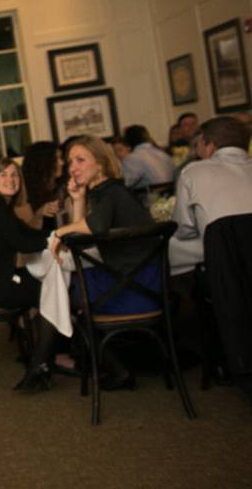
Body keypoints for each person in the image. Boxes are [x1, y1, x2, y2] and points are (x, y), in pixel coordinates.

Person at [51, 136, 158, 389]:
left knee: (74, 302)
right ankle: (119, 367)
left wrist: (60, 231)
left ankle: (119, 371)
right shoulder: (106, 191)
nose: (72, 168)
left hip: (138, 290)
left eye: (80, 160)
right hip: (147, 286)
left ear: (99, 164)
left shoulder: (110, 192)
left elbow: (94, 227)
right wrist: (78, 200)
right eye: (69, 162)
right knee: (78, 291)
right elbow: (84, 240)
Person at [0, 158, 61, 390]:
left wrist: (57, 234)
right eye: (3, 175)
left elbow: (26, 233)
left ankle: (47, 356)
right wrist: (57, 238)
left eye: (14, 175)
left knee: (48, 286)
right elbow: (22, 243)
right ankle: (42, 361)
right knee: (50, 290)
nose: (10, 180)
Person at [169, 116, 252, 270]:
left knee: (167, 250)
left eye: (199, 143)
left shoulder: (192, 172)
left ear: (210, 146)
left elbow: (183, 229)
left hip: (223, 263)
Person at [20, 141, 64, 232]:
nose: (62, 162)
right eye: (56, 159)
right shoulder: (25, 194)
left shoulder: (61, 188)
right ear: (43, 162)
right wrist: (39, 214)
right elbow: (26, 233)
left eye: (61, 158)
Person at [120, 124, 175, 192]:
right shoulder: (164, 154)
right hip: (170, 196)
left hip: (150, 198)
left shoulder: (132, 159)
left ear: (128, 141)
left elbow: (126, 184)